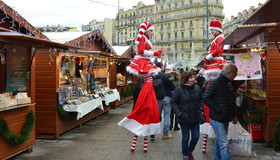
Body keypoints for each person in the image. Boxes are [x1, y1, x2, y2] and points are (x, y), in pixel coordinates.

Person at [118, 22, 162, 153]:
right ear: (147, 30)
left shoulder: (145, 38)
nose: (152, 33)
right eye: (151, 31)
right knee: (148, 81)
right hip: (143, 62)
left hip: (146, 63)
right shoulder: (143, 38)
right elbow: (141, 51)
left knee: (149, 80)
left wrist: (154, 54)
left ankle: (138, 145)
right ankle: (140, 145)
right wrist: (155, 53)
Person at [199, 20, 227, 153]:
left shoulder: (220, 37)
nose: (211, 32)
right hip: (215, 64)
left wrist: (209, 56)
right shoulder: (217, 38)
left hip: (216, 64)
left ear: (218, 29)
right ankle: (206, 146)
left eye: (212, 30)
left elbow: (219, 50)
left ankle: (206, 146)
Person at [203, 63, 241, 160]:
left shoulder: (228, 83)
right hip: (217, 118)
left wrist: (233, 115)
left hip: (225, 118)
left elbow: (230, 101)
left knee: (219, 142)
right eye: (235, 73)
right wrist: (218, 110)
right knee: (224, 143)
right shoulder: (215, 82)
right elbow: (206, 98)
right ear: (229, 72)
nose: (236, 75)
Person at [171, 71, 204, 160]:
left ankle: (190, 151)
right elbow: (173, 102)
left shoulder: (197, 88)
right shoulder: (179, 90)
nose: (193, 79)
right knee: (185, 138)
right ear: (185, 79)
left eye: (193, 77)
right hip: (184, 118)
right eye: (191, 78)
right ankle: (185, 155)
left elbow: (201, 99)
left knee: (196, 137)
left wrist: (201, 109)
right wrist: (179, 113)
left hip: (195, 117)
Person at [154, 63, 175, 139]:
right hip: (166, 97)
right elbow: (172, 87)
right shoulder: (166, 76)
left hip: (157, 98)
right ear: (162, 67)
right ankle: (165, 134)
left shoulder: (154, 76)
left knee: (157, 115)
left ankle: (153, 132)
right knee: (166, 116)